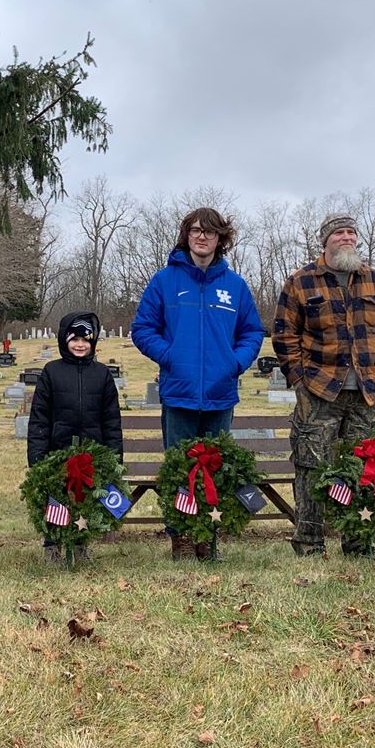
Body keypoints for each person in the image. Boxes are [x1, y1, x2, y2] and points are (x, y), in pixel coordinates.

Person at [131, 207, 264, 559]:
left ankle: (209, 536)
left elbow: (252, 331)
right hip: (180, 395)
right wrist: (170, 356)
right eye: (195, 231)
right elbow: (142, 329)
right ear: (186, 235)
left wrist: (235, 363)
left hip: (220, 396)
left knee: (214, 468)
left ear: (220, 239)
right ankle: (182, 538)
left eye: (209, 232)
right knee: (180, 470)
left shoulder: (234, 286)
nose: (201, 237)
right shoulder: (164, 281)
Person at [272, 213, 375, 558]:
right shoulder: (301, 282)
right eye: (338, 233)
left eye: (350, 233)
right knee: (311, 464)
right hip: (319, 390)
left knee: (365, 466)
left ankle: (359, 541)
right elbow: (285, 333)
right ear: (325, 241)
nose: (346, 238)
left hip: (368, 391)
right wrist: (299, 379)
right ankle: (310, 542)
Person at [26, 311, 124, 563]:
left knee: (83, 500)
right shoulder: (51, 372)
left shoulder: (101, 375)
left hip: (91, 452)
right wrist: (37, 455)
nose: (80, 345)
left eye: (86, 340)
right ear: (64, 340)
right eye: (75, 339)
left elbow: (111, 419)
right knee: (56, 498)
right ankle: (52, 546)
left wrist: (114, 455)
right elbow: (40, 417)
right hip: (57, 450)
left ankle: (81, 544)